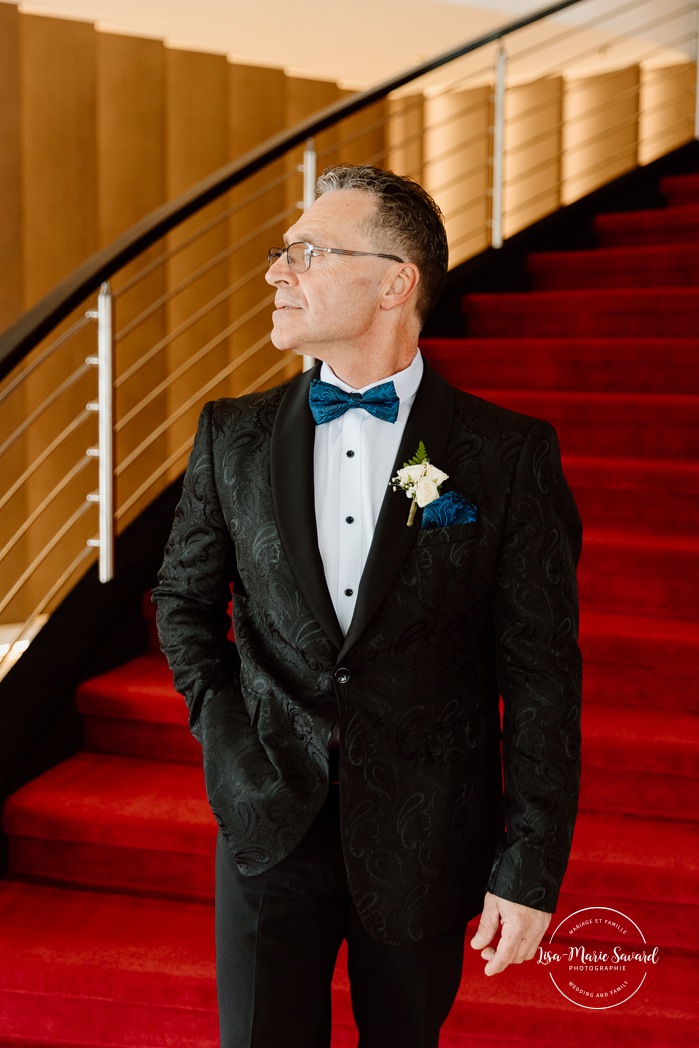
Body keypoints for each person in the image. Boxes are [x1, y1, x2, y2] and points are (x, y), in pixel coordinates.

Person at [153, 163, 582, 1048]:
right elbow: (183, 604)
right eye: (283, 254)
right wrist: (228, 743)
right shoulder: (228, 434)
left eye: (307, 252)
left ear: (396, 281)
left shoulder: (507, 456)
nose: (278, 272)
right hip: (268, 820)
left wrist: (530, 865)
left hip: (427, 835)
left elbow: (541, 676)